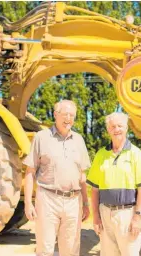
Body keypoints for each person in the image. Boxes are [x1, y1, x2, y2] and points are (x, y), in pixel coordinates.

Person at [23, 100, 91, 256]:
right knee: (45, 249)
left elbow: (82, 176)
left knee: (71, 250)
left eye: (72, 115)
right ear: (55, 115)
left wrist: (86, 203)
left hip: (74, 201)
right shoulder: (41, 137)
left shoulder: (79, 140)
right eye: (65, 114)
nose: (69, 118)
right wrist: (28, 203)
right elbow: (29, 172)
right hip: (47, 199)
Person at [86, 112, 141, 256]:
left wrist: (138, 216)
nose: (116, 129)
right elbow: (95, 190)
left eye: (120, 126)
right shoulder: (100, 155)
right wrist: (96, 216)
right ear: (108, 130)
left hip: (127, 214)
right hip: (105, 214)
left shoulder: (135, 153)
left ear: (126, 128)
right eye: (112, 126)